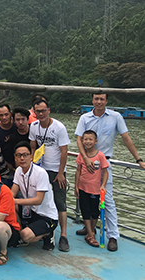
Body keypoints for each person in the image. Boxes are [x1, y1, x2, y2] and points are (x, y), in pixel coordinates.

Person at [74, 93, 145, 251]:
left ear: (106, 101)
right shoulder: (85, 118)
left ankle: (112, 235)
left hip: (104, 163)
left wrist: (138, 160)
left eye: (102, 99)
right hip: (87, 163)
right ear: (92, 100)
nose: (99, 102)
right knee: (85, 197)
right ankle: (90, 228)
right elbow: (79, 139)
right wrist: (85, 158)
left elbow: (125, 138)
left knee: (107, 199)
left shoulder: (115, 117)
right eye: (96, 99)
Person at [29, 99, 70, 252]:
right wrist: (31, 168)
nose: (41, 114)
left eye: (43, 110)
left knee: (60, 202)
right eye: (38, 111)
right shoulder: (34, 127)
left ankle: (63, 235)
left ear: (49, 110)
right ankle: (46, 231)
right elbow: (33, 148)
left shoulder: (59, 127)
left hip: (56, 170)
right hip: (40, 169)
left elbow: (64, 151)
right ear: (34, 112)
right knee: (41, 201)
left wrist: (60, 173)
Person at [11, 142, 59, 251]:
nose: (22, 158)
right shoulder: (18, 171)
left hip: (47, 215)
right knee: (10, 206)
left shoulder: (40, 173)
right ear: (15, 157)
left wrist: (16, 201)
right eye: (18, 155)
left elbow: (38, 200)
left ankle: (48, 233)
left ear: (31, 156)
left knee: (25, 236)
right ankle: (21, 231)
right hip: (31, 211)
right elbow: (12, 192)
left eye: (25, 155)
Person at [74, 130, 109, 247]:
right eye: (85, 139)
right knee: (85, 211)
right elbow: (78, 171)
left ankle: (91, 230)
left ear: (95, 141)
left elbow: (105, 172)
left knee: (94, 212)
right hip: (83, 187)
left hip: (95, 189)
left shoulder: (100, 156)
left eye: (90, 139)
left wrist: (103, 185)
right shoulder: (81, 155)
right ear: (82, 141)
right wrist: (76, 186)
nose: (88, 142)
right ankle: (90, 234)